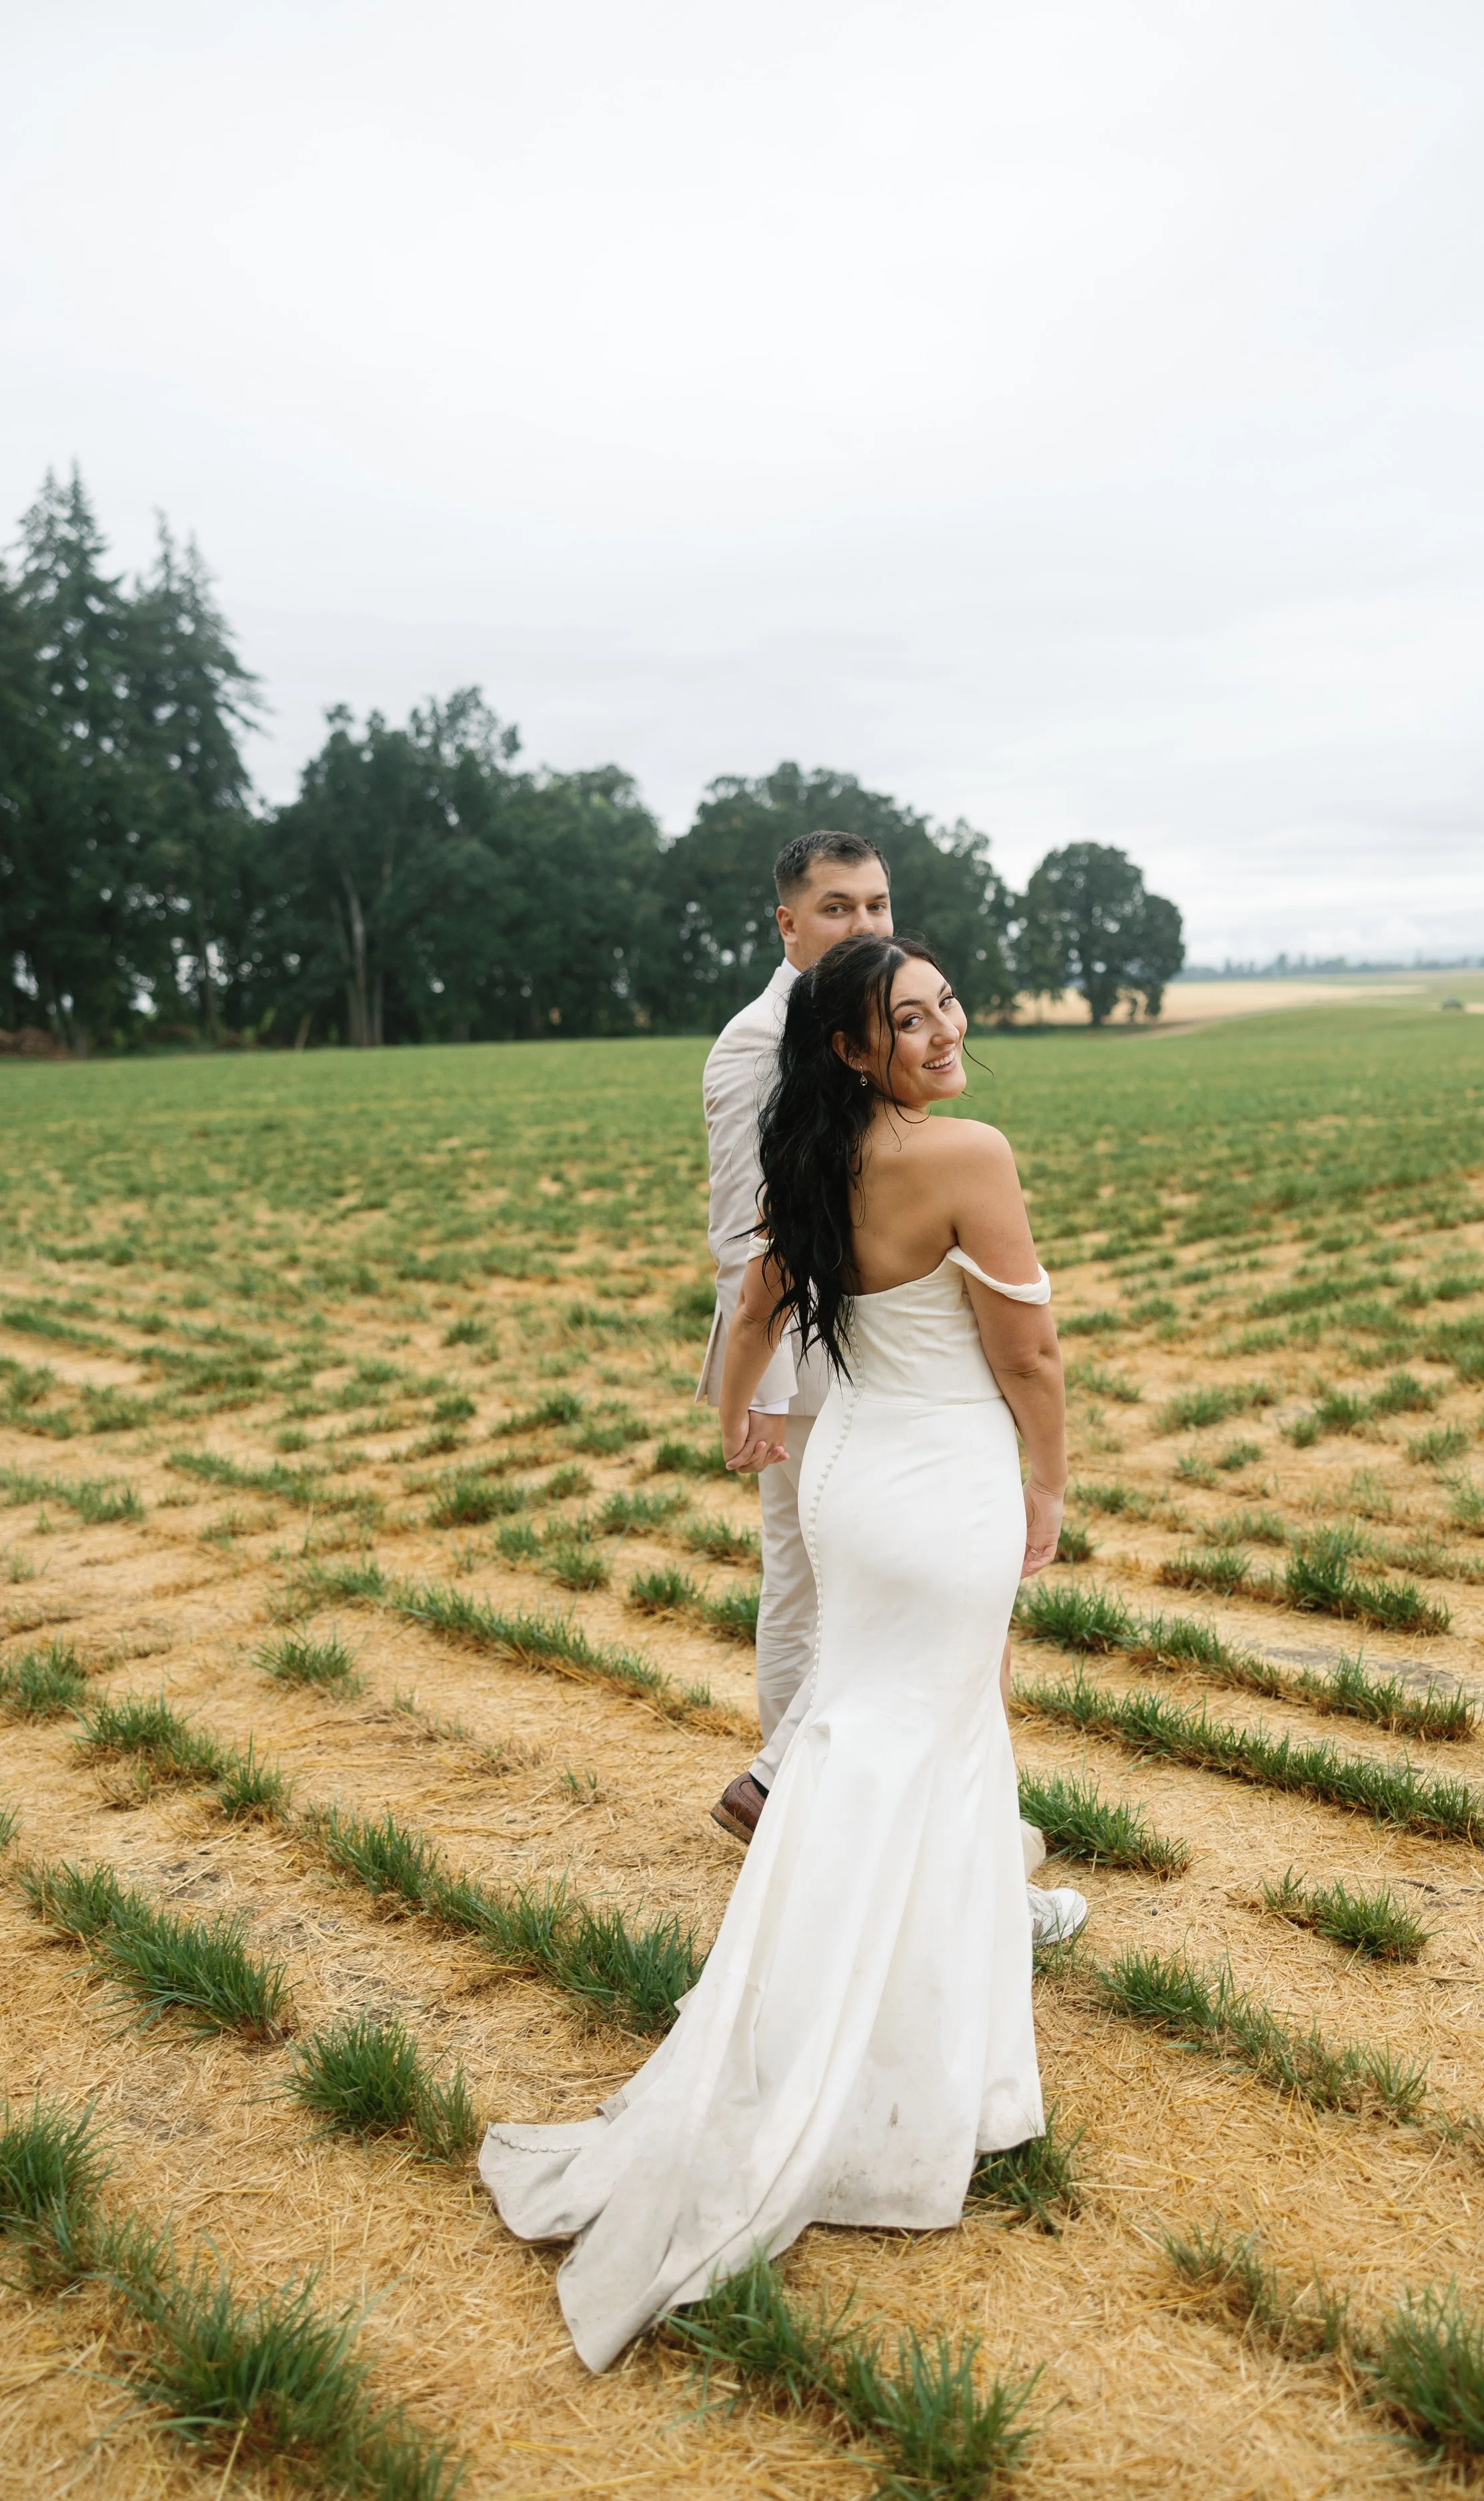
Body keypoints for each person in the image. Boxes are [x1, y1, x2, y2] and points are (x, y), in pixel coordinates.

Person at [478, 934, 1075, 2372]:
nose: (941, 1030)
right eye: (907, 1018)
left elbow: (752, 1314)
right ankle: (882, 2076)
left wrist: (739, 1418)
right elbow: (1030, 1363)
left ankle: (883, 2047)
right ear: (849, 1047)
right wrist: (1047, 1497)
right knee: (918, 1756)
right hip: (944, 1489)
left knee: (870, 1744)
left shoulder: (801, 1156)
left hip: (848, 1485)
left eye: (943, 1007)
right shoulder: (967, 1157)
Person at [698, 830, 894, 1843]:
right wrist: (761, 1391)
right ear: (787, 921)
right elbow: (744, 1237)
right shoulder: (752, 1043)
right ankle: (784, 1793)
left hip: (885, 1345)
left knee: (853, 1578)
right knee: (814, 1582)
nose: (862, 924)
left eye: (875, 904)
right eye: (836, 907)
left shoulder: (869, 1018)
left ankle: (798, 1800)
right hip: (805, 1365)